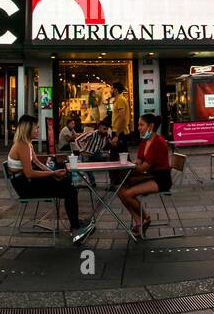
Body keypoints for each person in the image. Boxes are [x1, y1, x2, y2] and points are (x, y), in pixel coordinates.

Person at [7, 114, 94, 243]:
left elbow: (37, 162)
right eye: (36, 128)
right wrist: (53, 174)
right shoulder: (22, 145)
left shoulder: (27, 144)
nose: (38, 130)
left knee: (66, 182)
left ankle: (75, 222)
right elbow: (30, 173)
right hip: (25, 186)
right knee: (69, 190)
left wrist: (54, 173)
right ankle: (75, 228)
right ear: (28, 129)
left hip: (26, 181)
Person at [117, 114, 172, 238]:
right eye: (138, 125)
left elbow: (143, 168)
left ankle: (145, 218)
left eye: (141, 125)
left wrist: (129, 167)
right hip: (150, 176)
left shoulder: (158, 142)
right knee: (120, 191)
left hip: (161, 179)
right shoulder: (145, 141)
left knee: (127, 194)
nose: (138, 128)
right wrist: (132, 165)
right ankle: (139, 220)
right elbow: (139, 161)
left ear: (151, 126)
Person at [110, 82, 132, 156]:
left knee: (122, 155)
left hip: (120, 132)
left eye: (111, 89)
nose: (110, 91)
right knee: (118, 155)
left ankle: (131, 167)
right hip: (118, 131)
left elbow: (122, 118)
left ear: (115, 90)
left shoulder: (120, 100)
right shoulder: (118, 100)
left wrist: (117, 136)